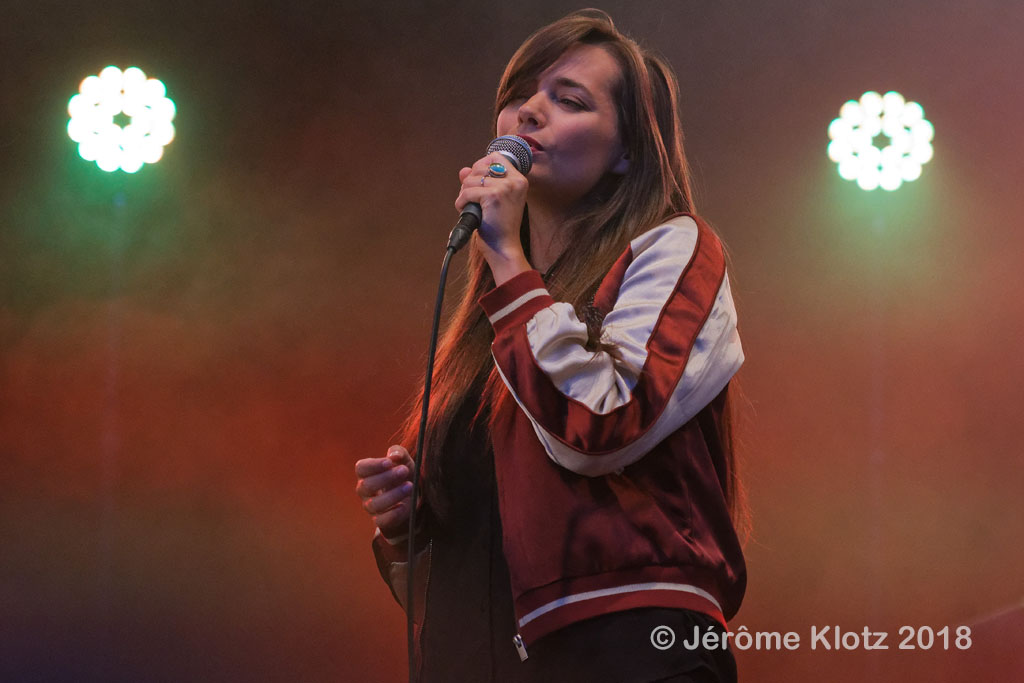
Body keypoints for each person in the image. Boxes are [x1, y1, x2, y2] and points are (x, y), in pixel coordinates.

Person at [355, 9, 747, 682]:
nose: (529, 111)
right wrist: (409, 525)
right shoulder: (494, 315)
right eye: (520, 94)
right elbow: (471, 579)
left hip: (631, 653)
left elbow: (602, 424)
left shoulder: (673, 247)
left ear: (627, 152)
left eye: (569, 101)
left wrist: (508, 262)